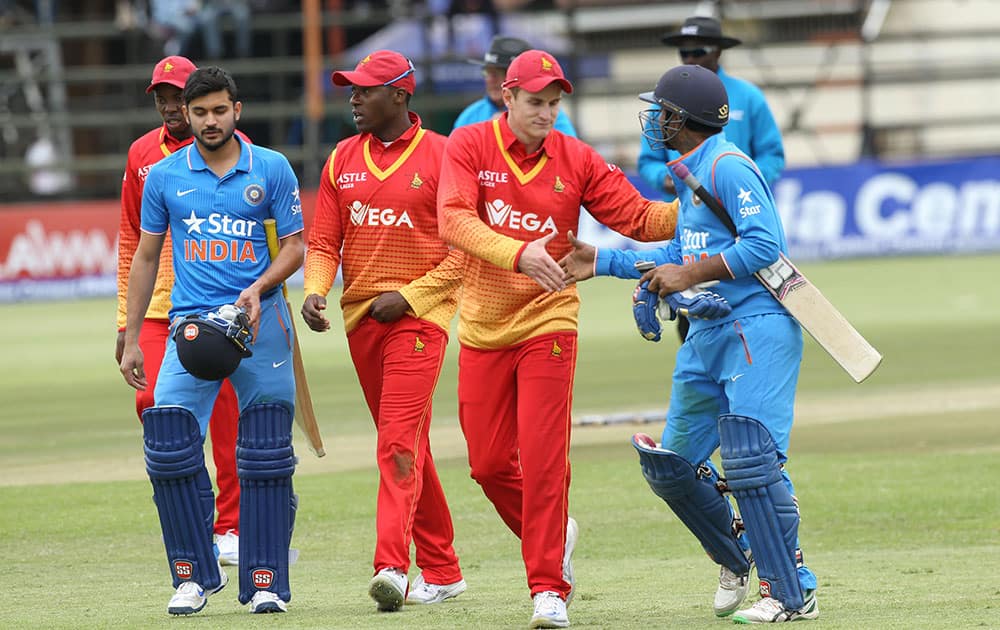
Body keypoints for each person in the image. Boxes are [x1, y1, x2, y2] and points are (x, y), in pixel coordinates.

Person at [560, 64, 819, 623]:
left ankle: (791, 591)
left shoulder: (728, 166)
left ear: (683, 119)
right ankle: (739, 556)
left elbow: (765, 247)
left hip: (756, 330)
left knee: (753, 462)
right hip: (706, 336)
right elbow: (679, 257)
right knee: (672, 467)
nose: (654, 118)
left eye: (662, 111)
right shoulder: (687, 170)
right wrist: (602, 261)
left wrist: (691, 274)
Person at [436, 49, 679, 629]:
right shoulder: (468, 146)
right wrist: (519, 253)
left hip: (551, 320)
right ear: (508, 97)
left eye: (554, 103)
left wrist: (696, 200)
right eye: (536, 102)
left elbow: (639, 218)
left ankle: (548, 587)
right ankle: (555, 533)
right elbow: (453, 220)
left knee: (545, 461)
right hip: (483, 326)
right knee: (489, 464)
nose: (546, 113)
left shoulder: (575, 156)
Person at [119, 65, 304, 616]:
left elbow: (296, 247)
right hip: (191, 328)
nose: (208, 121)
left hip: (262, 325)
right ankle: (193, 577)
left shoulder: (270, 168)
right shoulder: (165, 175)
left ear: (237, 110)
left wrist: (259, 287)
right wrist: (130, 336)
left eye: (219, 110)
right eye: (199, 113)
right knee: (169, 444)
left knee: (267, 452)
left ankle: (266, 579)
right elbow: (146, 255)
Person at [301, 49, 467, 613]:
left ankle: (392, 566)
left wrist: (412, 297)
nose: (353, 99)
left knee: (395, 441)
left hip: (421, 319)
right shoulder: (341, 158)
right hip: (361, 322)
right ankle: (444, 569)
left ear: (400, 95)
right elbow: (324, 243)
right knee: (409, 441)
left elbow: (465, 254)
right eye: (350, 89)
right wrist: (315, 290)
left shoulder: (446, 156)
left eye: (364, 90)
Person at [115, 55, 244, 568]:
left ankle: (231, 527)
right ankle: (191, 513)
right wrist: (125, 323)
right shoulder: (143, 155)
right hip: (157, 307)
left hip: (219, 305)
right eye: (162, 97)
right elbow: (132, 240)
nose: (169, 106)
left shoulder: (238, 152)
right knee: (154, 405)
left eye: (176, 96)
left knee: (230, 419)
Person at [640, 15, 785, 342]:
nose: (691, 58)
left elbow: (772, 154)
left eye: (699, 50)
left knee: (746, 293)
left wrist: (737, 185)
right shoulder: (663, 102)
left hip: (735, 216)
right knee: (692, 318)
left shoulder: (748, 96)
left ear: (718, 52)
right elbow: (648, 161)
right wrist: (662, 179)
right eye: (684, 53)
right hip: (690, 224)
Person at [452, 35, 577, 136]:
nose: (490, 79)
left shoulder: (549, 116)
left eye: (501, 72)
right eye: (488, 72)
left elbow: (569, 157)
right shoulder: (470, 115)